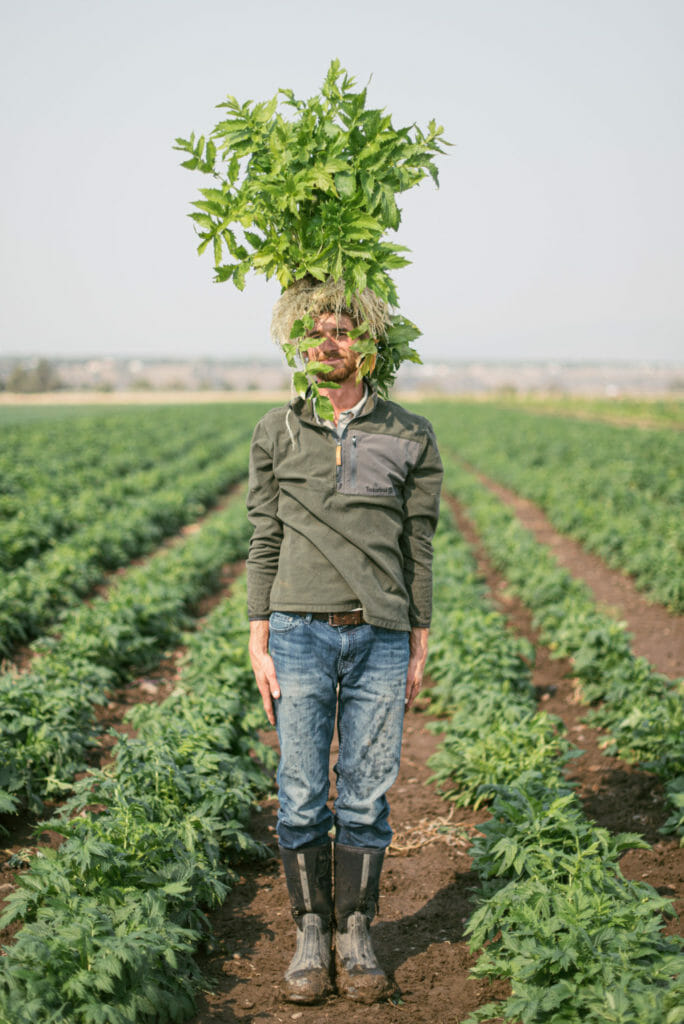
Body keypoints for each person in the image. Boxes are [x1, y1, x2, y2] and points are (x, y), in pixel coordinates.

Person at [246, 292, 442, 1005]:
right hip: (296, 632)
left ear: (371, 345)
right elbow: (264, 536)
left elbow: (418, 545)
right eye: (315, 332)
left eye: (343, 331)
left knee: (365, 795)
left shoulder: (410, 433)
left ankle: (355, 931)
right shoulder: (277, 430)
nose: (328, 343)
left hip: (381, 636)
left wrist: (419, 638)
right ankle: (308, 933)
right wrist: (257, 633)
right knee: (300, 794)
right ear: (298, 346)